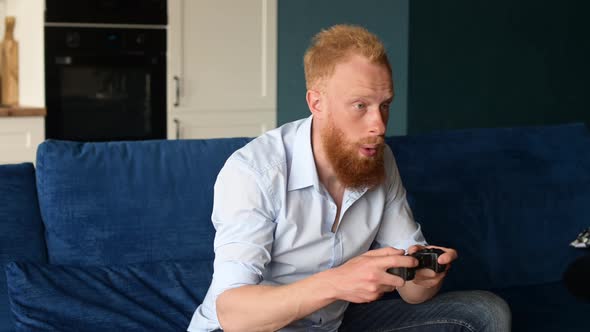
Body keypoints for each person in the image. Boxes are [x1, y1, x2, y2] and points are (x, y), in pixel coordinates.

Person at [188, 24, 511, 332]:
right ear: (317, 103)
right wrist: (338, 281)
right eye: (360, 105)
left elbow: (414, 294)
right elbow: (231, 313)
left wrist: (425, 277)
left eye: (385, 105)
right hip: (254, 327)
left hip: (331, 324)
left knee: (484, 312)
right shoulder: (254, 172)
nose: (379, 126)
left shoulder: (377, 156)